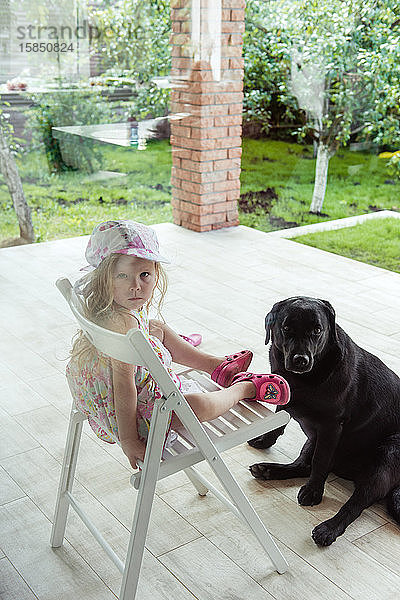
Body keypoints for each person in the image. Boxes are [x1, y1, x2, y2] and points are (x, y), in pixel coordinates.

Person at [66, 220, 290, 469]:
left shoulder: (107, 307)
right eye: (123, 276)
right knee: (195, 406)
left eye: (144, 275)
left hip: (105, 396)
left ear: (155, 273)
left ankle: (216, 366)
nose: (136, 286)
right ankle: (245, 388)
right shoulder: (125, 324)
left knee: (156, 327)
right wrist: (129, 438)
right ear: (104, 278)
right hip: (141, 414)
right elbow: (124, 384)